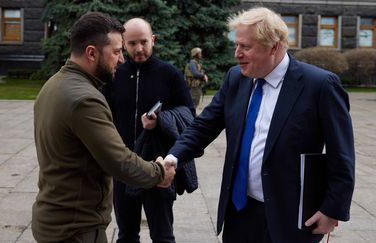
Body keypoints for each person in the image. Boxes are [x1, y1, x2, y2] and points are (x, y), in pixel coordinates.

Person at [165, 7, 355, 243]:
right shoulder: (236, 78)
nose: (236, 53)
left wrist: (332, 210)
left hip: (290, 219)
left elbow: (342, 154)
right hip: (239, 212)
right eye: (236, 45)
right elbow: (204, 126)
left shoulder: (319, 85)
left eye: (245, 47)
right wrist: (172, 158)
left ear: (274, 47)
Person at [31, 12, 175, 243]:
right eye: (117, 51)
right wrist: (159, 173)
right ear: (91, 52)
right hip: (76, 229)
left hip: (54, 219)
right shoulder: (85, 99)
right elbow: (119, 161)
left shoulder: (54, 84)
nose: (121, 59)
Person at [103, 18, 195, 243]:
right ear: (124, 44)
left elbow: (189, 114)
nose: (139, 49)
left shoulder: (170, 74)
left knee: (163, 235)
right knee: (126, 235)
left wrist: (161, 120)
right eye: (132, 43)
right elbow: (104, 116)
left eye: (144, 42)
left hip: (158, 166)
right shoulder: (115, 75)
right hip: (124, 167)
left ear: (153, 40)